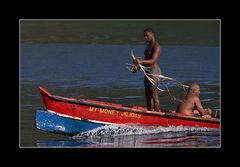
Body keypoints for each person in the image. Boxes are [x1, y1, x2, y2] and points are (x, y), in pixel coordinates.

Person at [133, 28, 162, 112]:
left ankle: (157, 114)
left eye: (147, 35)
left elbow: (153, 60)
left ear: (152, 34)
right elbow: (145, 61)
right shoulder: (148, 46)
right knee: (147, 94)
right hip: (147, 72)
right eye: (144, 36)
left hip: (154, 71)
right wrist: (137, 67)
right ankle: (150, 112)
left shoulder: (156, 46)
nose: (145, 37)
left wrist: (141, 61)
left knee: (154, 95)